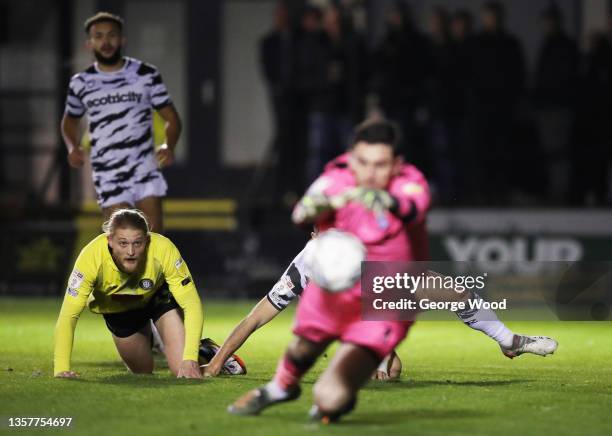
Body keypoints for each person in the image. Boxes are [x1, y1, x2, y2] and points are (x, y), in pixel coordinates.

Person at [227, 119, 557, 422]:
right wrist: (313, 207)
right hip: (339, 298)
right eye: (364, 162)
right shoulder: (333, 180)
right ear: (351, 158)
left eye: (380, 164)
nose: (370, 172)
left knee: (331, 398)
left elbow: (414, 207)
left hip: (393, 286)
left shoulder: (410, 184)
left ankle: (508, 340)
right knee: (306, 347)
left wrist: (386, 202)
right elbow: (302, 214)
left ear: (396, 164)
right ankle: (282, 387)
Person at [61, 12, 182, 232]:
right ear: (90, 43)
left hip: (145, 167)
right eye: (99, 36)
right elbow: (69, 120)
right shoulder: (81, 83)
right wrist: (72, 147)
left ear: (122, 40)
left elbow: (172, 118)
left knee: (153, 240)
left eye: (111, 35)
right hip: (109, 172)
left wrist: (169, 145)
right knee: (124, 238)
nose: (106, 42)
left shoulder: (146, 75)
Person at [53, 209, 203, 379]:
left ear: (146, 240)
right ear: (109, 240)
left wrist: (190, 358)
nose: (131, 251)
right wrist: (61, 368)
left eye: (137, 243)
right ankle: (155, 338)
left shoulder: (163, 249)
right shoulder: (91, 257)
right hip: (119, 311)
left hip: (157, 298)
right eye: (123, 243)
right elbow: (68, 316)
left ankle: (206, 352)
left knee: (183, 370)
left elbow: (192, 304)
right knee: (143, 372)